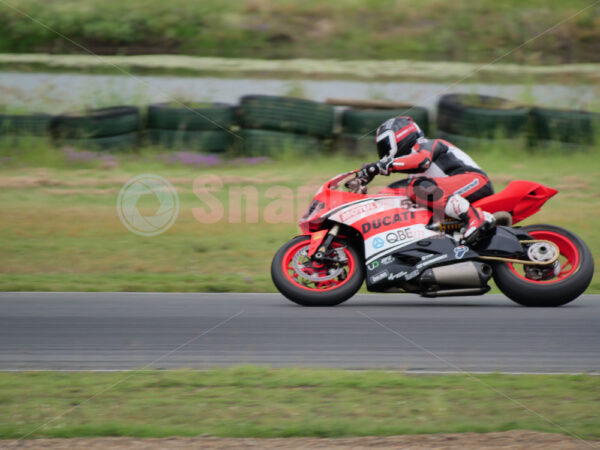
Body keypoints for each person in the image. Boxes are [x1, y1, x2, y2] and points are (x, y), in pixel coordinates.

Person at [356, 116, 495, 245]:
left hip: (475, 181)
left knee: (418, 187)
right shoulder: (414, 177)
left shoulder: (427, 144)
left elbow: (422, 161)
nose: (383, 153)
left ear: (401, 134)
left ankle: (475, 217)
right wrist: (365, 197)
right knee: (402, 193)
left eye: (385, 145)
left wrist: (383, 165)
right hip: (451, 191)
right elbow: (393, 194)